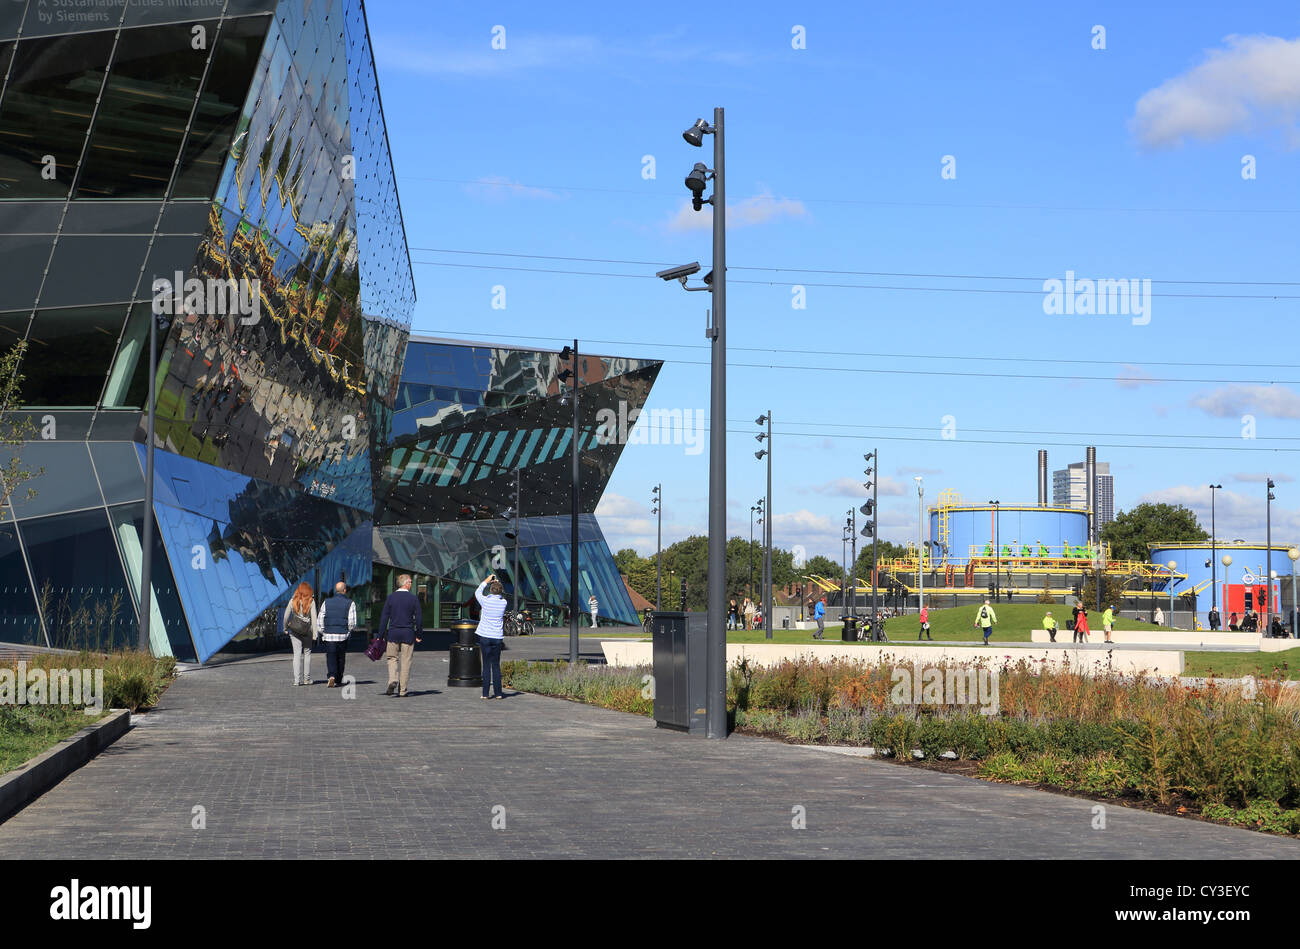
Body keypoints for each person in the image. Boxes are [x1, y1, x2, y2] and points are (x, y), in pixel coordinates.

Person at [377, 573, 423, 697]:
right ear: (406, 583)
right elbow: (418, 618)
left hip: (393, 633)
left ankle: (393, 679)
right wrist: (419, 634)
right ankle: (402, 690)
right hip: (408, 633)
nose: (411, 585)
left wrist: (380, 635)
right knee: (406, 661)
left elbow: (384, 617)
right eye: (411, 583)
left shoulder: (391, 598)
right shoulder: (413, 599)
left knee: (392, 658)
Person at [318, 580, 357, 688]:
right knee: (340, 657)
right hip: (342, 634)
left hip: (329, 634)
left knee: (331, 656)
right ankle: (339, 678)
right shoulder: (350, 603)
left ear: (336, 590)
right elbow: (352, 622)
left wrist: (322, 631)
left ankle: (331, 675)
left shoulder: (326, 602)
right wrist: (348, 631)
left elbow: (320, 618)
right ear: (345, 590)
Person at [475, 574, 508, 699]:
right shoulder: (503, 602)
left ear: (490, 590)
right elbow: (501, 594)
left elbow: (478, 592)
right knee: (496, 665)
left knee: (486, 665)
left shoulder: (485, 600)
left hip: (485, 636)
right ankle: (498, 693)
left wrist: (487, 581)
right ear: (500, 591)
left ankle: (485, 694)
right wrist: (497, 584)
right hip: (497, 637)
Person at [283, 581, 318, 687]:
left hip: (294, 631)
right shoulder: (311, 602)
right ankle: (306, 679)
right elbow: (314, 619)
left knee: (296, 654)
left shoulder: (292, 601)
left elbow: (286, 616)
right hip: (307, 631)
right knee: (307, 653)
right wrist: (315, 634)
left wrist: (285, 628)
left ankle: (296, 680)